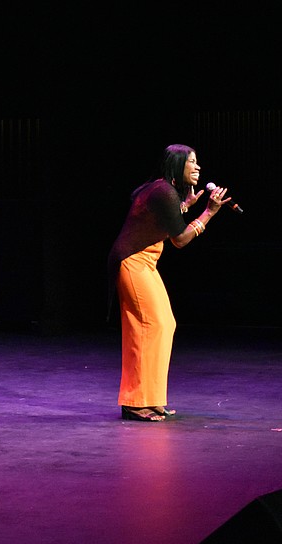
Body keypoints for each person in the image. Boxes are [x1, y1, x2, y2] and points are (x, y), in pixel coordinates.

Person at [108, 144, 231, 422]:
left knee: (163, 324)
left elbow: (156, 220)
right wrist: (208, 213)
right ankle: (136, 402)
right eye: (192, 162)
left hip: (144, 262)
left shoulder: (163, 191)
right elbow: (179, 239)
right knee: (152, 326)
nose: (198, 167)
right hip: (132, 261)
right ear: (177, 165)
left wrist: (183, 207)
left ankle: (149, 399)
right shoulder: (163, 190)